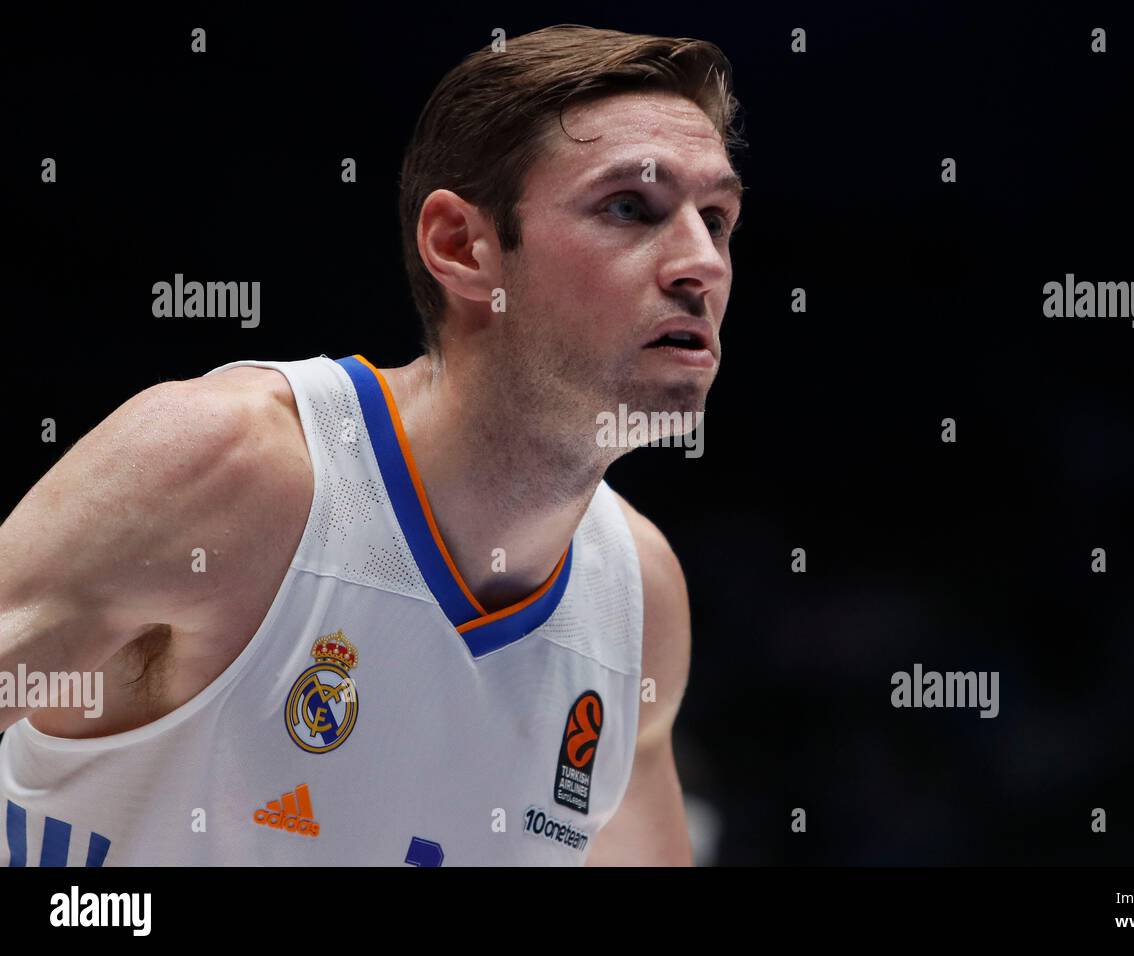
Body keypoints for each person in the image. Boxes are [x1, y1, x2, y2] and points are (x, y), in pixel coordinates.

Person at [0, 23, 744, 865]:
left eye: (717, 218)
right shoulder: (228, 465)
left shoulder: (638, 601)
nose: (701, 263)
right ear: (462, 246)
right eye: (629, 208)